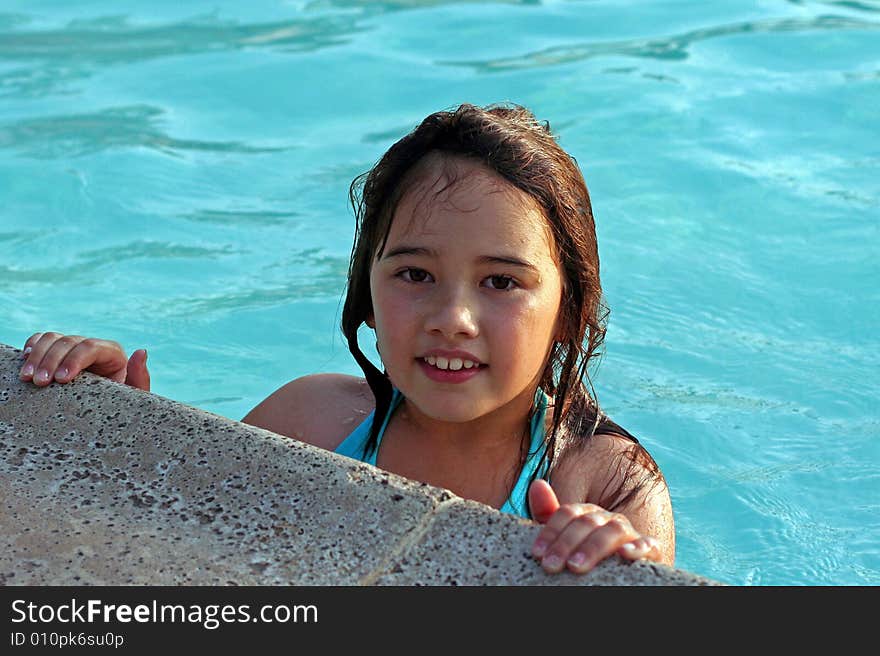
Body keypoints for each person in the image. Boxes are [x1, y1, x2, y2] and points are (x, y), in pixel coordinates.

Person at [18, 102, 674, 575]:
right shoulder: (308, 421)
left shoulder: (607, 488)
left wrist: (614, 567)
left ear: (567, 311)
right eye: (415, 274)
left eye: (501, 283)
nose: (452, 317)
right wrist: (117, 420)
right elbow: (176, 554)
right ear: (367, 290)